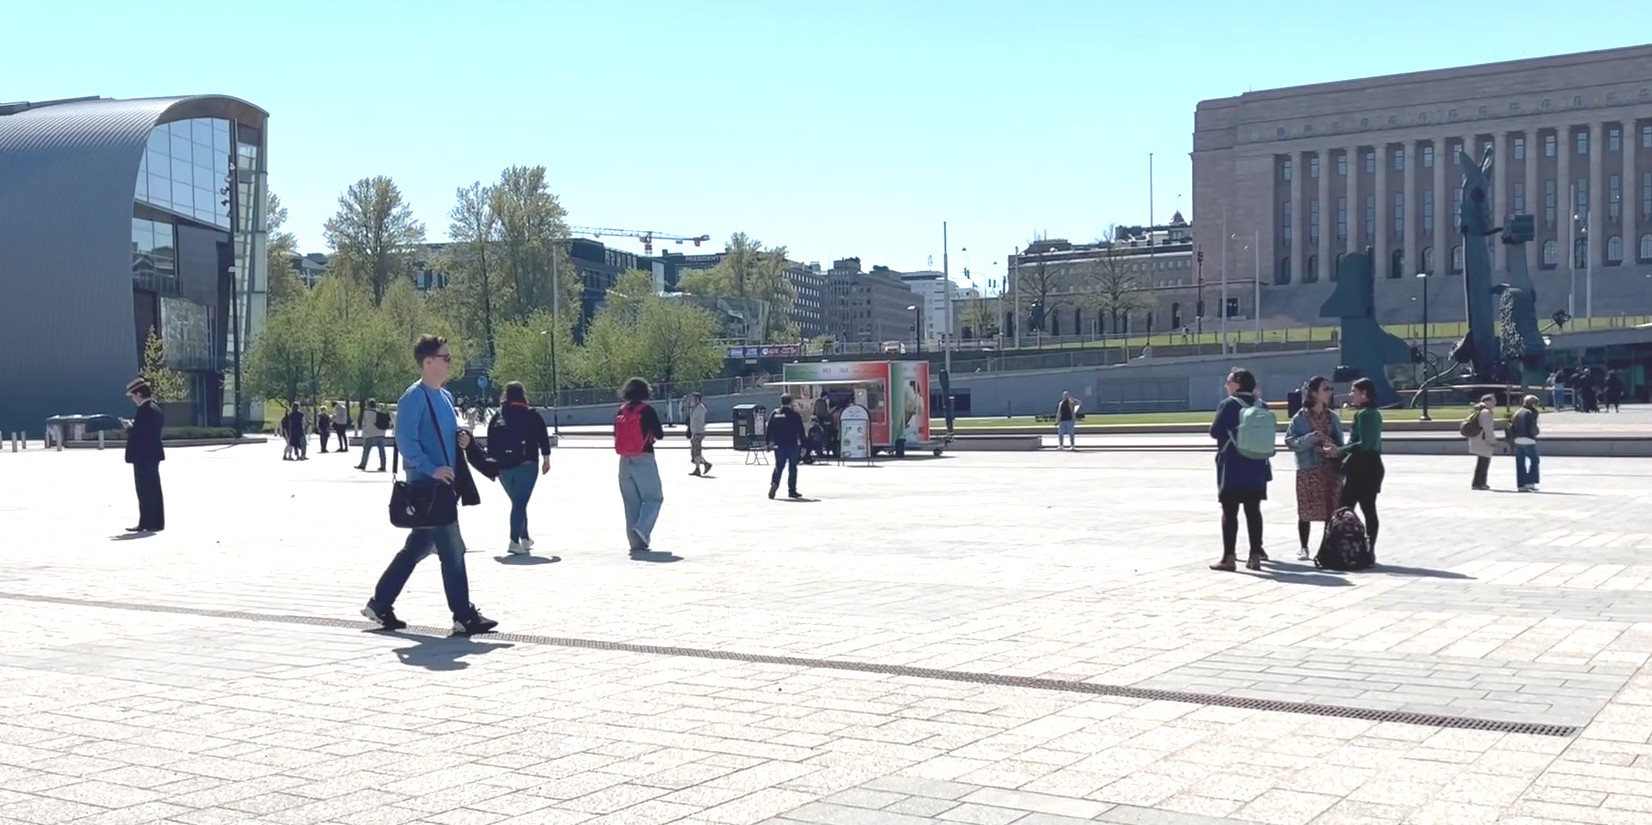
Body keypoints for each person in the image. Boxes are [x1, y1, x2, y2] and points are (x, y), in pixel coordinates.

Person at [361, 334, 498, 636]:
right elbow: (405, 441)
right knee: (453, 550)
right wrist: (431, 469)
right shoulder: (413, 397)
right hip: (428, 487)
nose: (450, 362)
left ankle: (379, 604)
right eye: (445, 357)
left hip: (443, 486)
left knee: (417, 548)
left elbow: (445, 432)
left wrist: (462, 437)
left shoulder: (444, 397)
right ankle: (463, 615)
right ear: (428, 362)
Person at [1209, 369, 1272, 571]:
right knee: (1253, 511)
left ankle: (1229, 557)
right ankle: (1255, 555)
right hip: (1257, 465)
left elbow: (1215, 431)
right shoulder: (1261, 405)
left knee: (1230, 511)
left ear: (1237, 383)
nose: (1226, 386)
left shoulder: (1229, 404)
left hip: (1233, 465)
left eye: (1228, 382)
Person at [1284, 375, 1343, 561]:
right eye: (1326, 389)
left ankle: (1326, 546)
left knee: (1330, 508)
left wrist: (1334, 448)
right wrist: (1308, 439)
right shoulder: (1301, 417)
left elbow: (1340, 443)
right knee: (1306, 509)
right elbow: (1290, 440)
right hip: (1308, 468)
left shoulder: (1332, 417)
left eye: (1331, 389)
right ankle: (1304, 546)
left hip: (1330, 469)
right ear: (1315, 393)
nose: (1330, 392)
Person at [494, 381, 552, 555]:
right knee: (520, 503)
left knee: (518, 502)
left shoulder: (499, 415)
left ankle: (525, 538)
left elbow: (491, 441)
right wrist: (546, 459)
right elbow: (543, 437)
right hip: (527, 464)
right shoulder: (531, 415)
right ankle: (514, 540)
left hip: (504, 467)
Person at [615, 377, 666, 555]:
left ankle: (635, 543)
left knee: (631, 503)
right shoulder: (647, 411)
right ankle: (642, 529)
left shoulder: (621, 411)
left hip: (624, 460)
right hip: (643, 457)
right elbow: (659, 434)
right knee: (654, 498)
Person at [1337, 377, 1386, 559]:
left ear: (1364, 394)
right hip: (1373, 465)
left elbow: (1363, 443)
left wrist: (1340, 450)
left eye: (1354, 391)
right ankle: (1369, 549)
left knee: (1344, 508)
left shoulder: (1364, 414)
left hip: (1361, 466)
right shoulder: (1375, 414)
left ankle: (1344, 547)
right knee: (1369, 509)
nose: (1351, 394)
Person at [122, 378, 166, 534]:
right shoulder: (154, 408)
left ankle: (149, 522)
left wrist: (130, 428)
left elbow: (142, 434)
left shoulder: (145, 410)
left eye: (133, 396)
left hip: (144, 455)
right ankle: (153, 521)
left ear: (139, 394)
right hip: (151, 454)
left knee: (146, 490)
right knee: (152, 489)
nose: (133, 399)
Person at [766, 394, 807, 500]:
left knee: (779, 467)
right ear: (791, 402)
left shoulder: (775, 414)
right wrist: (804, 445)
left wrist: (767, 443)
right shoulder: (795, 415)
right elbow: (801, 431)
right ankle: (792, 490)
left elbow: (769, 429)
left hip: (779, 445)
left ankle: (774, 484)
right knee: (792, 468)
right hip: (792, 445)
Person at [1510, 394, 1542, 492]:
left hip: (1517, 439)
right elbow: (1533, 428)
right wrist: (1537, 432)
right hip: (1528, 439)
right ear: (1533, 404)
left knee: (1520, 463)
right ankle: (1530, 482)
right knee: (1535, 460)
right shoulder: (1532, 412)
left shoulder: (1517, 412)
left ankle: (1521, 485)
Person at [1468, 393, 1498, 490]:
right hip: (1483, 440)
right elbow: (1488, 429)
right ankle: (1480, 483)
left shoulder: (1477, 410)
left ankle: (1478, 483)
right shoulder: (1486, 412)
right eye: (1493, 401)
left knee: (1481, 462)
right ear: (1487, 401)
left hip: (1476, 439)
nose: (1495, 403)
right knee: (1484, 463)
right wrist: (1492, 441)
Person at [355, 399, 389, 472]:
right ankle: (383, 466)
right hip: (381, 434)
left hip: (370, 434)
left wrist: (364, 433)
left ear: (368, 405)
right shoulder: (379, 412)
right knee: (381, 451)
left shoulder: (366, 412)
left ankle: (363, 464)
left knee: (366, 451)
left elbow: (365, 423)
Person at [685, 392, 712, 477]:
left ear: (697, 400)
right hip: (695, 432)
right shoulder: (694, 408)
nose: (691, 401)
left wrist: (695, 432)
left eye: (693, 399)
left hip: (698, 433)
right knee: (695, 451)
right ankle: (705, 464)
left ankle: (698, 469)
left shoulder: (700, 409)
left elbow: (698, 422)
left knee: (696, 451)